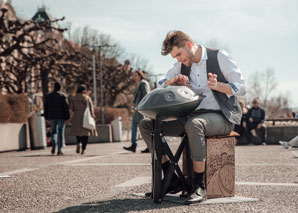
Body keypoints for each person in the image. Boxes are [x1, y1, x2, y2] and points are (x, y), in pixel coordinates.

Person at [139, 30, 246, 204]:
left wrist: (217, 85)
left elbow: (242, 87)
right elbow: (160, 82)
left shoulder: (219, 57)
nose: (178, 60)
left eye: (179, 54)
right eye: (175, 57)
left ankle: (198, 185)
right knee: (146, 125)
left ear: (189, 45)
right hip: (191, 117)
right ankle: (170, 176)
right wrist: (172, 83)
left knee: (194, 124)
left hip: (221, 116)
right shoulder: (181, 65)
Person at [123, 70, 150, 153]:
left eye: (135, 75)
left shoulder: (143, 83)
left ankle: (139, 145)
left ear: (140, 75)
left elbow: (146, 96)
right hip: (139, 109)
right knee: (137, 126)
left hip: (141, 109)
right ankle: (136, 145)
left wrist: (141, 107)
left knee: (141, 126)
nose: (134, 77)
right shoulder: (141, 83)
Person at [69, 85, 98, 155]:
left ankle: (79, 143)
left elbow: (71, 108)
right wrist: (93, 115)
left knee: (78, 133)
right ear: (84, 91)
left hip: (76, 117)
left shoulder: (73, 98)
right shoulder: (87, 98)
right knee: (86, 134)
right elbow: (91, 108)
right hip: (86, 117)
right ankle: (83, 149)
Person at [44, 82, 70, 155]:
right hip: (61, 117)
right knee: (61, 131)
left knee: (54, 131)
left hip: (52, 116)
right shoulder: (63, 96)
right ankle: (59, 149)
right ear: (60, 87)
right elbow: (66, 107)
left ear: (54, 87)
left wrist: (46, 116)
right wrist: (67, 116)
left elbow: (46, 107)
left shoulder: (48, 96)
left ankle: (53, 144)